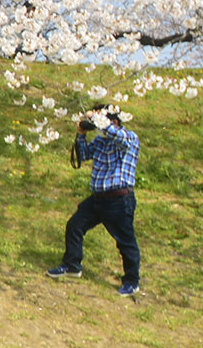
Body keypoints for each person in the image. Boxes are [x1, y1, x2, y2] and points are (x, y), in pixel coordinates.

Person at [47, 105, 141, 296]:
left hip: (119, 199)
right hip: (98, 199)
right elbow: (82, 156)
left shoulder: (129, 137)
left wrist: (97, 118)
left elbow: (117, 136)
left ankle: (132, 281)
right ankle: (72, 265)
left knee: (125, 242)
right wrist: (81, 134)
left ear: (114, 121)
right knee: (75, 225)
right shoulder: (100, 141)